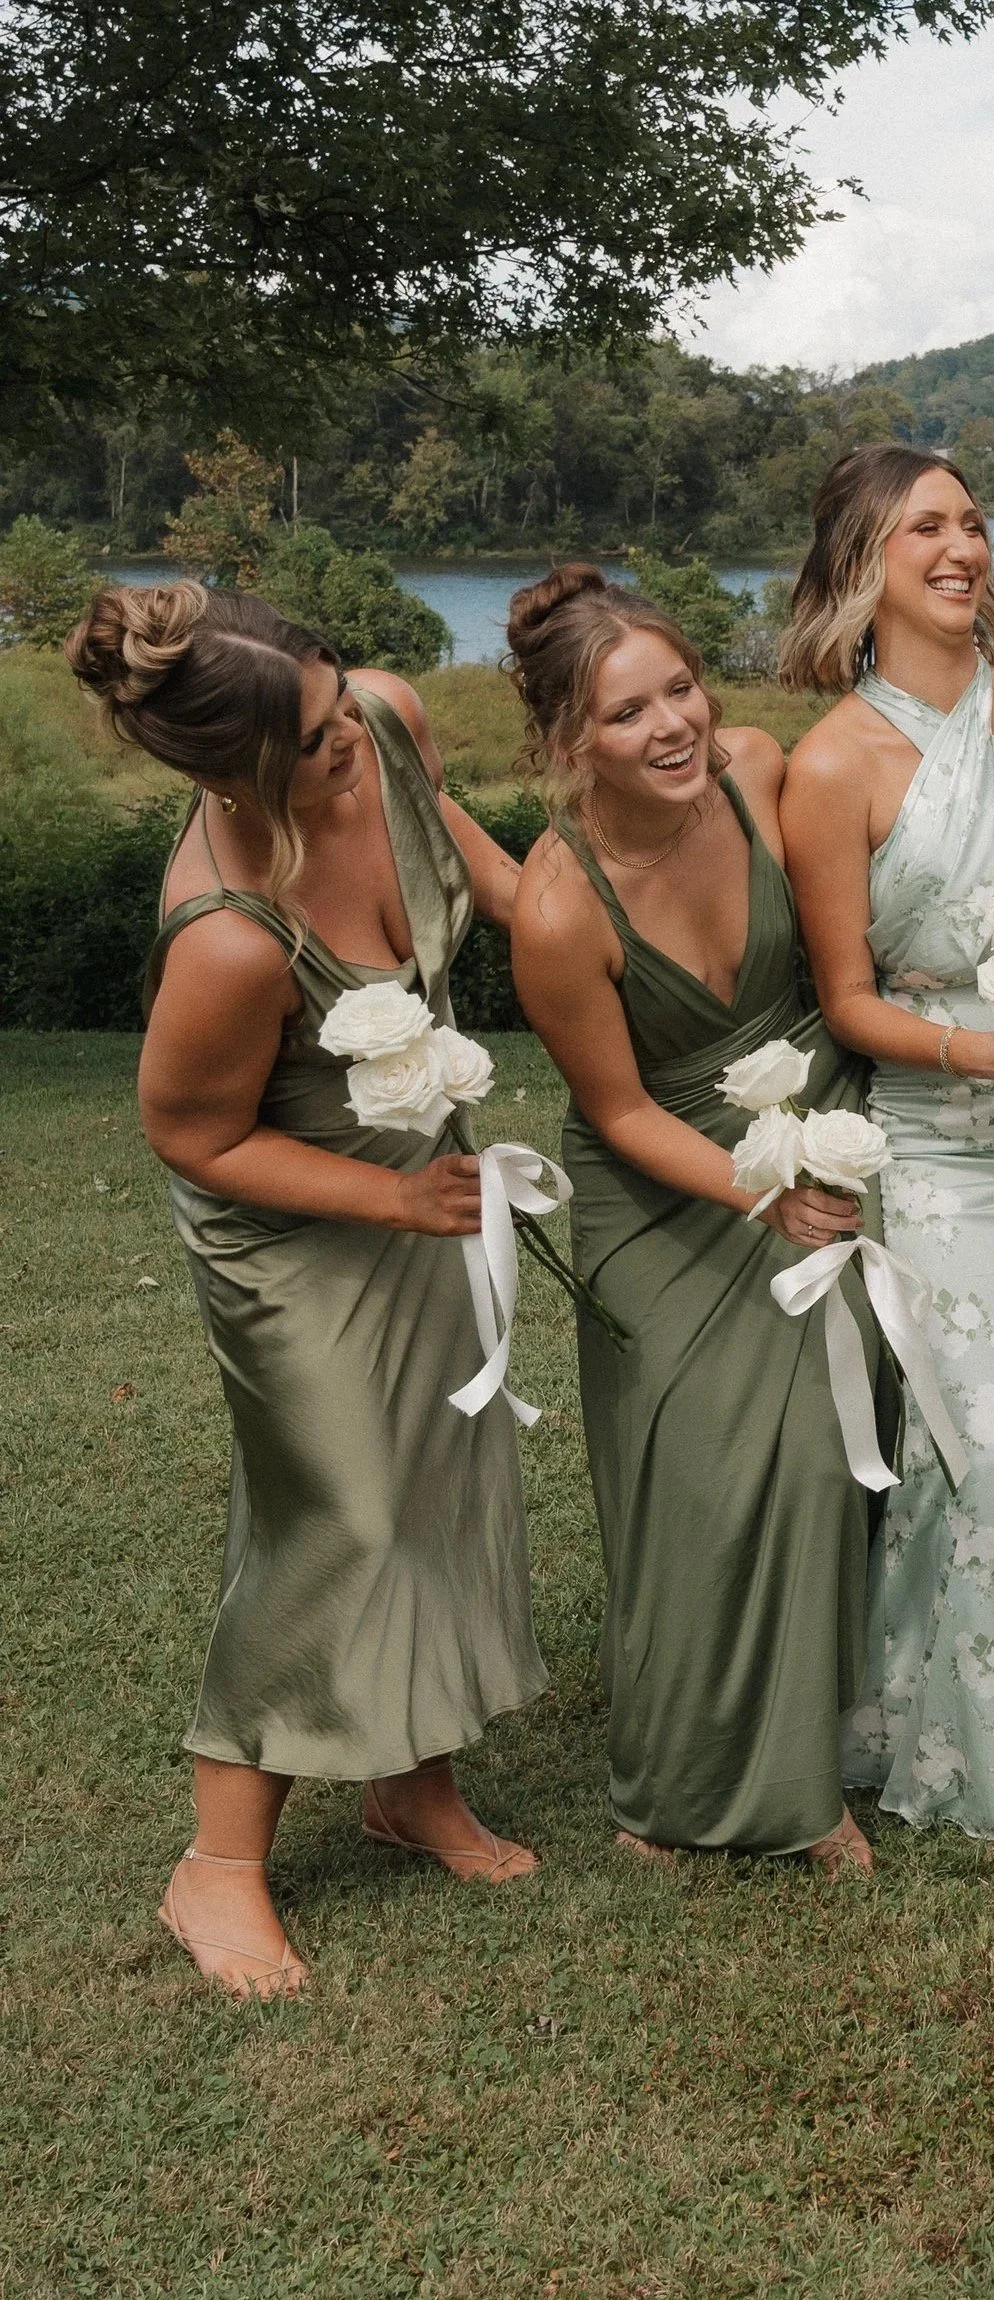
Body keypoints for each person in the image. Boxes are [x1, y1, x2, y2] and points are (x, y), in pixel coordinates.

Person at [73, 582, 544, 2002]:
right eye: (319, 738)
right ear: (234, 772)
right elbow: (196, 1137)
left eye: (342, 708)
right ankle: (216, 1866)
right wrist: (392, 1196)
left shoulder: (387, 724)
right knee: (338, 1509)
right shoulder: (223, 936)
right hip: (294, 1227)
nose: (354, 740)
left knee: (439, 1472)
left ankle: (413, 1786)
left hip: (425, 1185)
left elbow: (509, 892)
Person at [505, 567, 879, 1878]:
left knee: (824, 1444)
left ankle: (813, 1766)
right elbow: (616, 1110)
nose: (674, 727)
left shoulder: (762, 771)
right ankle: (668, 1786)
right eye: (626, 714)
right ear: (567, 745)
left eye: (680, 687)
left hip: (816, 1127)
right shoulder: (558, 907)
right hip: (659, 1180)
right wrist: (759, 1192)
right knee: (700, 1469)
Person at [778, 445, 994, 1848]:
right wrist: (981, 1048)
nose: (964, 547)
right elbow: (846, 998)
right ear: (864, 562)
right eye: (929, 528)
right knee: (992, 1448)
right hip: (936, 1146)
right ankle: (964, 1735)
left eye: (974, 522)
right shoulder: (831, 763)